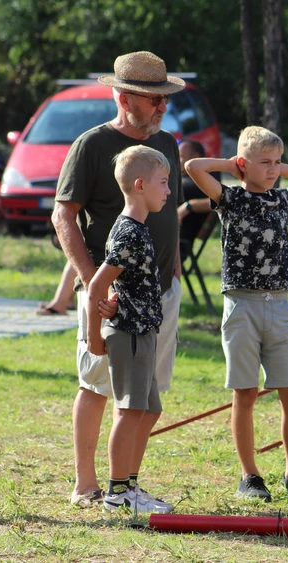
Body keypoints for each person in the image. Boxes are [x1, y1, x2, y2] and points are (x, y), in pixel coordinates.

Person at [51, 51, 185, 509]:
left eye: (165, 99)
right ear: (126, 98)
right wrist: (94, 284)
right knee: (97, 385)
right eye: (154, 100)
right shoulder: (91, 145)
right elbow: (63, 215)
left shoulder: (165, 143)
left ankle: (127, 483)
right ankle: (88, 485)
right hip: (110, 296)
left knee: (148, 396)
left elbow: (174, 212)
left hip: (160, 294)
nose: (163, 108)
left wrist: (177, 267)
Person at [185, 126, 288, 501]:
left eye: (278, 162)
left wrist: (274, 165)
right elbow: (194, 166)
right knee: (245, 394)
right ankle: (250, 476)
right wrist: (233, 166)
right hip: (242, 305)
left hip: (279, 305)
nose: (275, 169)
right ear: (244, 164)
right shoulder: (229, 198)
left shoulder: (282, 199)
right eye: (266, 163)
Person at [86, 146, 173, 513]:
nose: (169, 190)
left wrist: (116, 298)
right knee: (129, 411)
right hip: (130, 335)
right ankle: (118, 492)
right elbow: (95, 285)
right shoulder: (129, 232)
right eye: (163, 182)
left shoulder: (138, 228)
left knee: (148, 410)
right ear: (140, 185)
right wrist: (94, 336)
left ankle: (130, 485)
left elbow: (120, 284)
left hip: (143, 333)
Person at [176, 139, 212, 244]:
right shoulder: (188, 180)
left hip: (175, 242)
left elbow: (221, 200)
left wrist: (189, 205)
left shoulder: (202, 182)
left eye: (181, 156)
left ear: (195, 156)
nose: (177, 160)